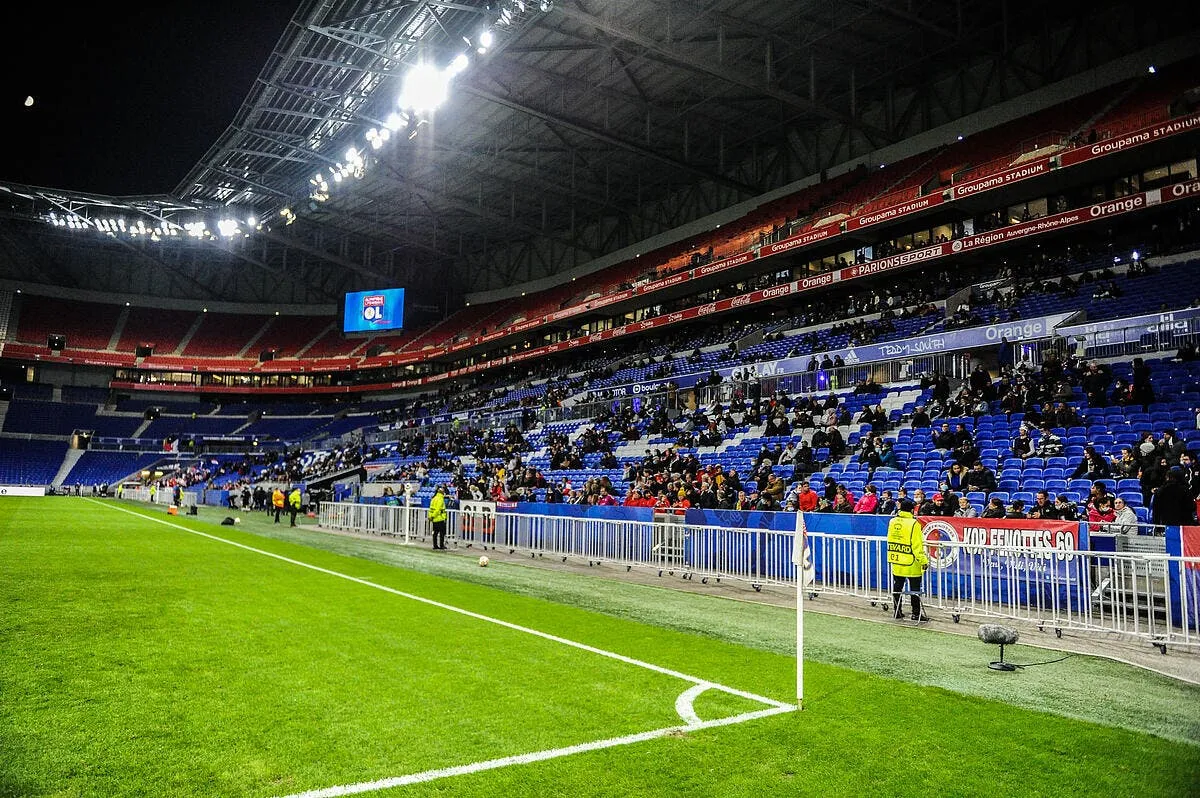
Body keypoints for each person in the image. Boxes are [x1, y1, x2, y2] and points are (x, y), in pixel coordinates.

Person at [886, 498, 928, 621]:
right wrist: (923, 561)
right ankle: (916, 613)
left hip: (896, 559)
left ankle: (897, 611)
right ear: (911, 510)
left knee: (897, 587)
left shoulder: (892, 521)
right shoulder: (914, 524)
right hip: (911, 562)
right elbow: (916, 545)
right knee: (914, 589)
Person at [429, 485, 449, 549]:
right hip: (440, 518)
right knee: (442, 533)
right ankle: (441, 545)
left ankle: (435, 545)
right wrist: (433, 515)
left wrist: (431, 516)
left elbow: (431, 509)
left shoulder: (434, 498)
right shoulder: (440, 499)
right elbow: (438, 509)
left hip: (434, 519)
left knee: (435, 533)